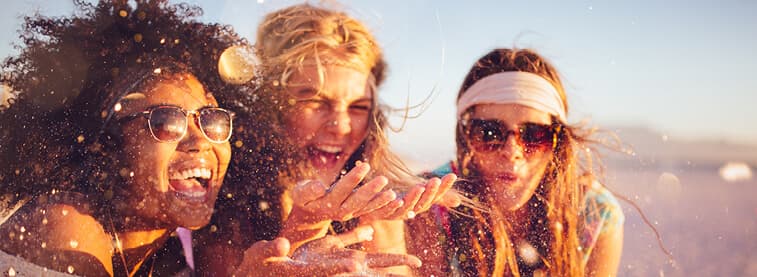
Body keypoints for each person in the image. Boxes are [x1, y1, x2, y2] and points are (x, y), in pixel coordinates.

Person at [0, 1, 413, 276]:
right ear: (104, 143)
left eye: (213, 120)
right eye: (167, 121)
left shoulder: (161, 245)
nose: (200, 141)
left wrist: (302, 232)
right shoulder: (63, 226)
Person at [196, 3, 459, 276]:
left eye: (358, 108)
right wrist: (306, 226)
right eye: (316, 102)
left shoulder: (381, 200)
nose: (341, 127)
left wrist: (382, 224)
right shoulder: (227, 204)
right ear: (271, 106)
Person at [407, 48, 625, 276]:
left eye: (533, 135)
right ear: (466, 138)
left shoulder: (594, 214)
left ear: (557, 143)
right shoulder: (430, 203)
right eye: (489, 133)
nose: (512, 151)